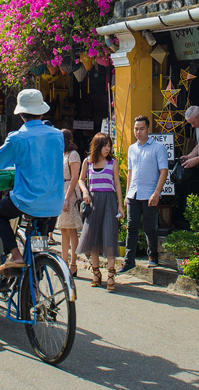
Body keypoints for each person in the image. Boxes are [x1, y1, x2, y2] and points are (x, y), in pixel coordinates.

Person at [0, 89, 63, 274]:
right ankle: (36, 286)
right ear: (41, 111)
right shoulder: (57, 135)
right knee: (38, 249)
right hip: (54, 203)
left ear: (21, 114)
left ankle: (15, 255)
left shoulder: (18, 138)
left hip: (28, 201)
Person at [119, 115, 169, 273]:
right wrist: (127, 194)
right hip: (134, 193)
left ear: (148, 129)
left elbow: (164, 172)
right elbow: (130, 172)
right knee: (131, 227)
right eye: (136, 129)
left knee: (149, 227)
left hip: (150, 194)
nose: (138, 132)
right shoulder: (132, 148)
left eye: (141, 129)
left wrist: (156, 193)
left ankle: (153, 256)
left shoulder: (158, 148)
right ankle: (129, 260)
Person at [77, 132, 124, 290]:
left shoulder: (112, 162)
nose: (108, 148)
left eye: (109, 145)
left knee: (109, 236)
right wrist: (84, 192)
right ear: (97, 146)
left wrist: (120, 205)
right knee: (93, 238)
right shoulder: (87, 162)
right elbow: (81, 179)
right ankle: (96, 274)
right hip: (93, 201)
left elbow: (117, 184)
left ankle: (111, 274)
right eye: (105, 145)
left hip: (109, 201)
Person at [56, 129, 83, 277]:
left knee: (71, 229)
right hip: (61, 190)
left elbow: (74, 178)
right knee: (63, 229)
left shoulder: (73, 155)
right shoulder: (62, 155)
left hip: (69, 191)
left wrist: (67, 198)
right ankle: (63, 262)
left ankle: (73, 264)